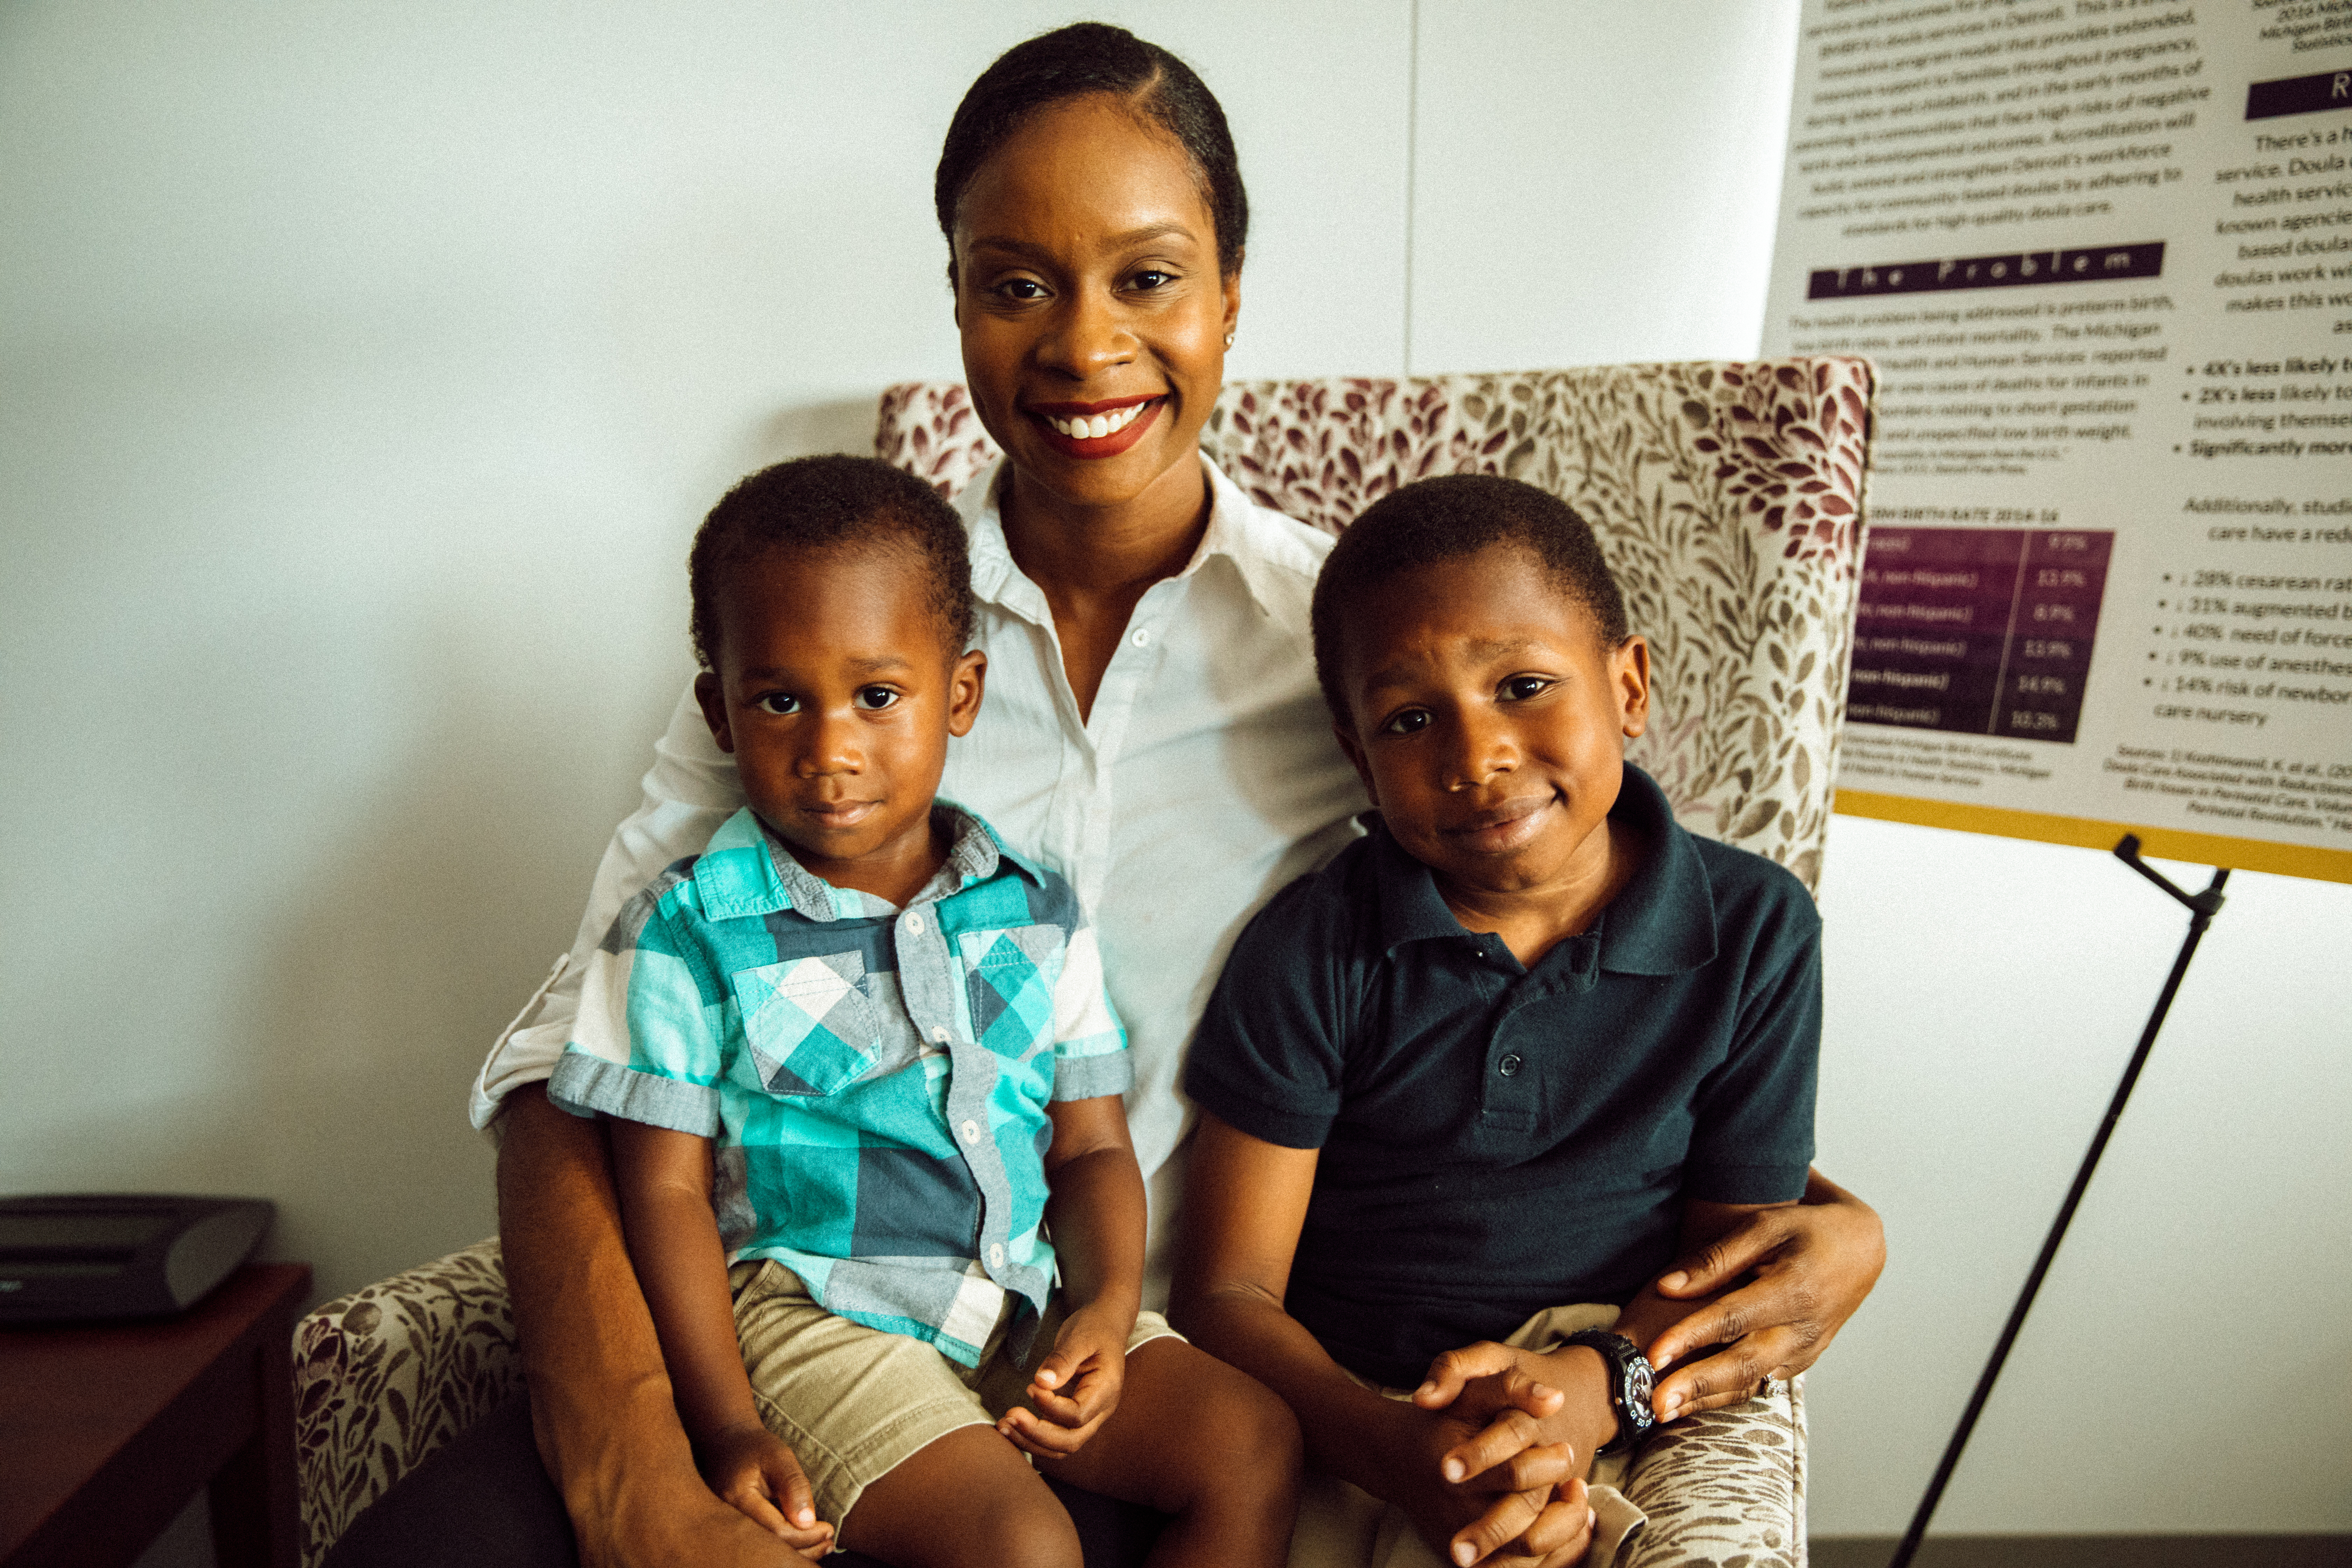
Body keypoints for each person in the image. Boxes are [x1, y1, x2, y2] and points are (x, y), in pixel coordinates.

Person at [436, 22, 1884, 1568]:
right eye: (1016, 283)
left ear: (1229, 299)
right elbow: (570, 1042)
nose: (1082, 348)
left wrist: (1826, 1212)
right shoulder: (842, 648)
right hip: (799, 1335)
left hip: (1151, 1386)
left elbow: (1543, 945)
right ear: (959, 303)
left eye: (1147, 277)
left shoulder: (1363, 660)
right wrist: (635, 1463)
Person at [552, 454, 1298, 1568]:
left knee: (1250, 1443)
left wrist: (1099, 1313)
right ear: (719, 711)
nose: (830, 750)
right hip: (819, 1324)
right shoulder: (686, 929)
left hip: (1020, 1306)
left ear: (960, 695)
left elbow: (1091, 1147)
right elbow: (662, 1192)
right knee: (1023, 1547)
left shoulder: (1037, 913)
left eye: (878, 697)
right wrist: (724, 1424)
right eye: (779, 700)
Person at [1172, 475, 1822, 1568]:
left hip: (1605, 1391)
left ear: (1630, 685)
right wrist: (1393, 1447)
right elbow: (1228, 1294)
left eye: (1523, 685)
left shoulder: (1756, 930)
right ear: (1355, 751)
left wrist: (1593, 1389)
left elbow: (1733, 1270)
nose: (1476, 759)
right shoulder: (1314, 947)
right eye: (1411, 720)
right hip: (1347, 1412)